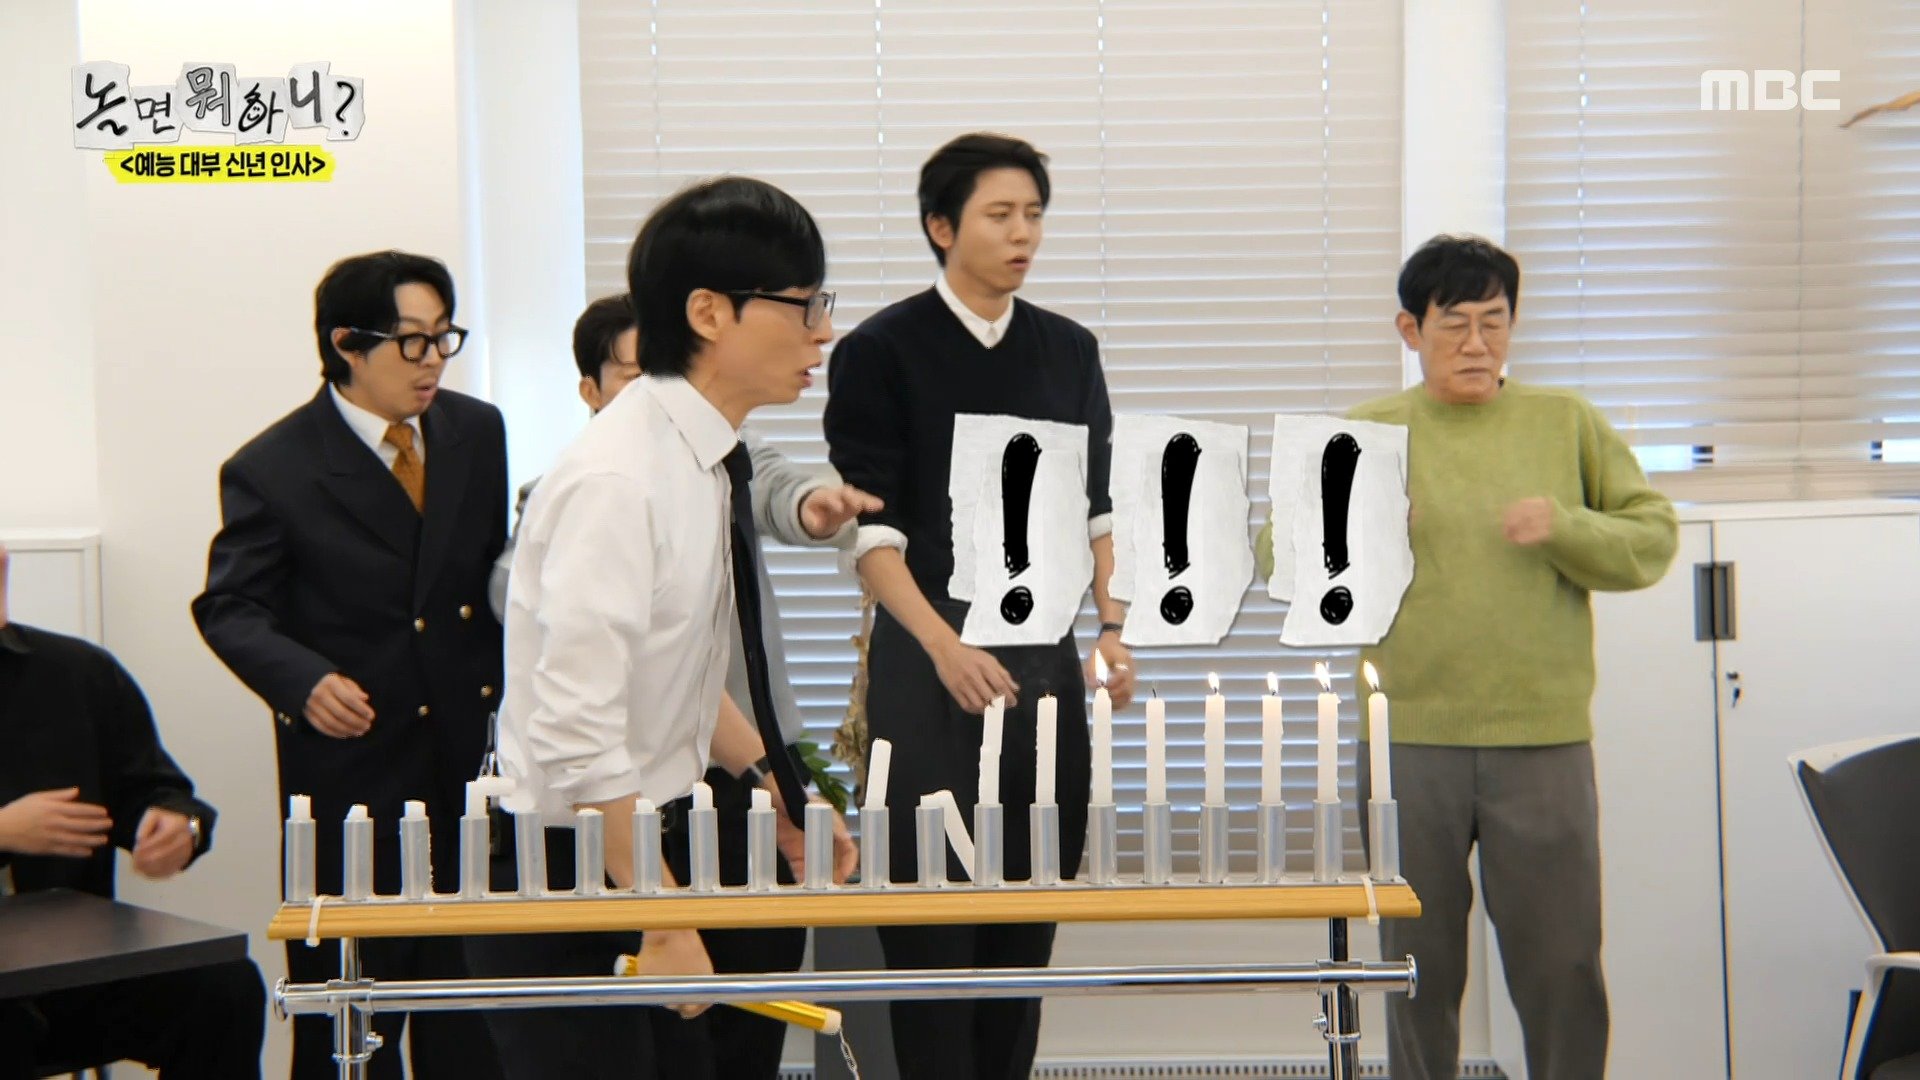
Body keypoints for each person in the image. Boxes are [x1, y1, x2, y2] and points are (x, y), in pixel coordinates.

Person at [1260, 235, 1679, 1080]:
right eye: (1456, 324)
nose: (1479, 344)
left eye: (1496, 322)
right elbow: (1279, 558)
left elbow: (1652, 538)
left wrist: (1564, 524)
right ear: (1410, 330)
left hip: (1542, 738)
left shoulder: (1566, 421)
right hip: (1408, 741)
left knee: (1563, 966)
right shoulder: (1368, 431)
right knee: (1416, 970)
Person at [472, 176, 861, 1080]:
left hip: (637, 848)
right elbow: (576, 728)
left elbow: (673, 667)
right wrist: (662, 914)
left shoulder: (699, 459)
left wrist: (774, 782)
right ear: (709, 312)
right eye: (804, 306)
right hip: (573, 870)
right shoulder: (619, 480)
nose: (823, 332)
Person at [822, 132, 1137, 1080]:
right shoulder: (881, 350)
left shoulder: (1068, 349)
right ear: (941, 226)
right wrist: (942, 645)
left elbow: (1099, 509)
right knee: (930, 939)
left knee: (1022, 935)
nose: (1022, 233)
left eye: (1033, 214)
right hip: (929, 664)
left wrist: (1113, 630)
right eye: (1000, 214)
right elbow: (871, 537)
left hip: (1041, 662)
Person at [192, 250, 507, 1079]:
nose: (434, 361)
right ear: (345, 345)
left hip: (470, 776)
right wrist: (302, 681)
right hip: (357, 778)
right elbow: (230, 606)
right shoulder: (274, 466)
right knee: (349, 1027)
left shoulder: (477, 431)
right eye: (412, 342)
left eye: (445, 338)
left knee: (472, 1025)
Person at [0, 544, 266, 1079]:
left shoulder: (76, 673)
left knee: (223, 984)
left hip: (65, 964)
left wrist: (178, 827)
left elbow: (154, 791)